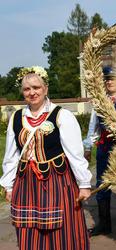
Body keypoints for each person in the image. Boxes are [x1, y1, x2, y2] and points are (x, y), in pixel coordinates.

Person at [0, 66, 92, 250]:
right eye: (27, 89)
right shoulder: (16, 118)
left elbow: (75, 154)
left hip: (57, 182)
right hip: (26, 184)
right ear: (22, 92)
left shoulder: (62, 115)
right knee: (29, 229)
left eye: (36, 87)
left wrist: (84, 184)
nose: (32, 93)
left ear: (45, 89)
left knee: (62, 232)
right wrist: (8, 185)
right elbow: (11, 155)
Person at [83, 66, 116, 236]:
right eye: (107, 79)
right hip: (105, 148)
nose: (110, 82)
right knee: (102, 184)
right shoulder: (100, 100)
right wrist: (88, 146)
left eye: (113, 78)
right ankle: (104, 223)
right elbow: (94, 126)